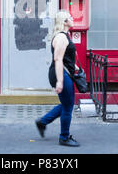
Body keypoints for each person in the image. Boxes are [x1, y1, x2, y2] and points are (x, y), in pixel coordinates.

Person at [35, 10, 80, 147]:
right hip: (61, 74)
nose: (73, 19)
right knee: (68, 106)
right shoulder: (61, 37)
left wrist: (75, 67)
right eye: (70, 18)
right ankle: (64, 137)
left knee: (66, 104)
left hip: (63, 72)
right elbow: (58, 59)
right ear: (65, 22)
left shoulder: (65, 36)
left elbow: (65, 58)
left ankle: (43, 122)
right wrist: (60, 81)